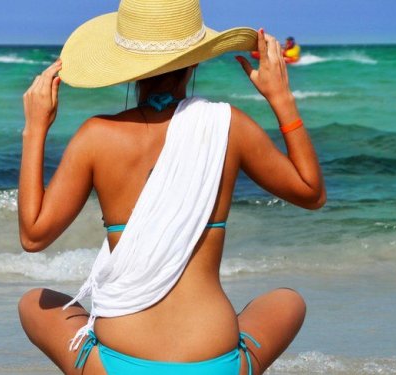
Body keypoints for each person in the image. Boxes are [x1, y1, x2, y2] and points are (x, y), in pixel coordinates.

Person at [17, 0, 325, 374]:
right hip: (216, 362)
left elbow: (33, 237)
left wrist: (36, 129)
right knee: (288, 301)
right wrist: (281, 99)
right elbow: (312, 193)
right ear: (195, 61)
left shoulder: (95, 136)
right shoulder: (228, 124)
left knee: (33, 302)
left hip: (118, 364)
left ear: (126, 69)